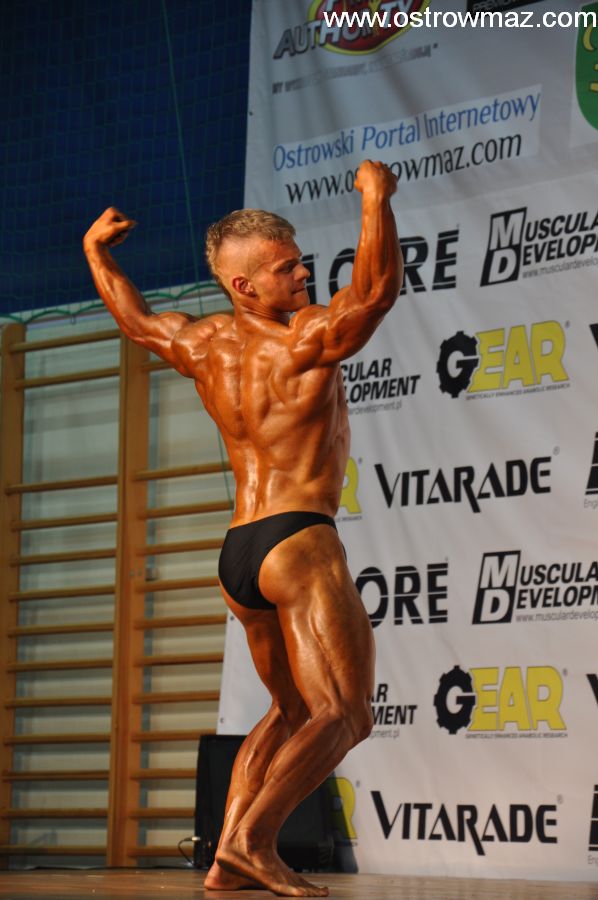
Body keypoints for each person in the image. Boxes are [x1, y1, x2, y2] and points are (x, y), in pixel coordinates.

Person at [83, 160, 403, 897]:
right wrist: (375, 200)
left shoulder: (202, 345)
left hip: (240, 555)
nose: (304, 274)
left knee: (291, 710)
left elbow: (135, 321)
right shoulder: (303, 340)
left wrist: (96, 253)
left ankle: (227, 858)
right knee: (345, 713)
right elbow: (374, 293)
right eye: (287, 269)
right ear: (244, 286)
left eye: (300, 261)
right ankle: (253, 842)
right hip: (298, 542)